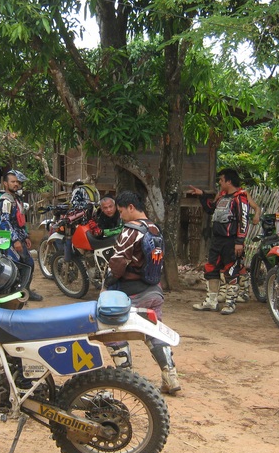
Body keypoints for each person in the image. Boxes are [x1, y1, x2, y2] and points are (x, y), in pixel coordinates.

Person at [105, 191, 181, 395]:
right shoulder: (155, 229)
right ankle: (170, 376)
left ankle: (125, 377)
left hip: (131, 294)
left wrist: (107, 283)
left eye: (121, 211)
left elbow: (118, 264)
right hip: (154, 292)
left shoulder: (131, 231)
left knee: (110, 330)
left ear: (131, 207)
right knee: (154, 332)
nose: (121, 216)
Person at [187, 168, 251, 315]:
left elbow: (244, 220)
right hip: (217, 240)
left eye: (221, 180)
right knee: (211, 269)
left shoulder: (240, 198)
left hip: (231, 241)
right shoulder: (221, 197)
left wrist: (240, 241)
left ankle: (230, 303)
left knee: (231, 270)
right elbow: (210, 209)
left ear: (229, 181)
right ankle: (211, 301)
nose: (220, 183)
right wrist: (202, 195)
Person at [0, 170, 43, 301]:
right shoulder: (6, 200)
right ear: (6, 184)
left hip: (19, 237)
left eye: (17, 182)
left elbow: (20, 221)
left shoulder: (17, 199)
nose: (16, 184)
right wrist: (15, 240)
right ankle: (16, 294)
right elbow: (4, 222)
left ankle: (24, 291)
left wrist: (25, 236)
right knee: (17, 266)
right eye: (13, 181)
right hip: (10, 239)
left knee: (27, 264)